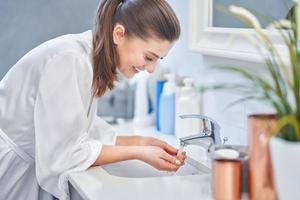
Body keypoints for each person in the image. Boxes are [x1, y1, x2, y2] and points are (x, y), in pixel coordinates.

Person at [0, 0, 186, 199]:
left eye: (158, 59)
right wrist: (139, 152)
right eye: (149, 57)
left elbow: (76, 127)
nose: (151, 69)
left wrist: (141, 142)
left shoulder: (86, 58)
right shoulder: (69, 59)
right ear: (119, 34)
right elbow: (65, 155)